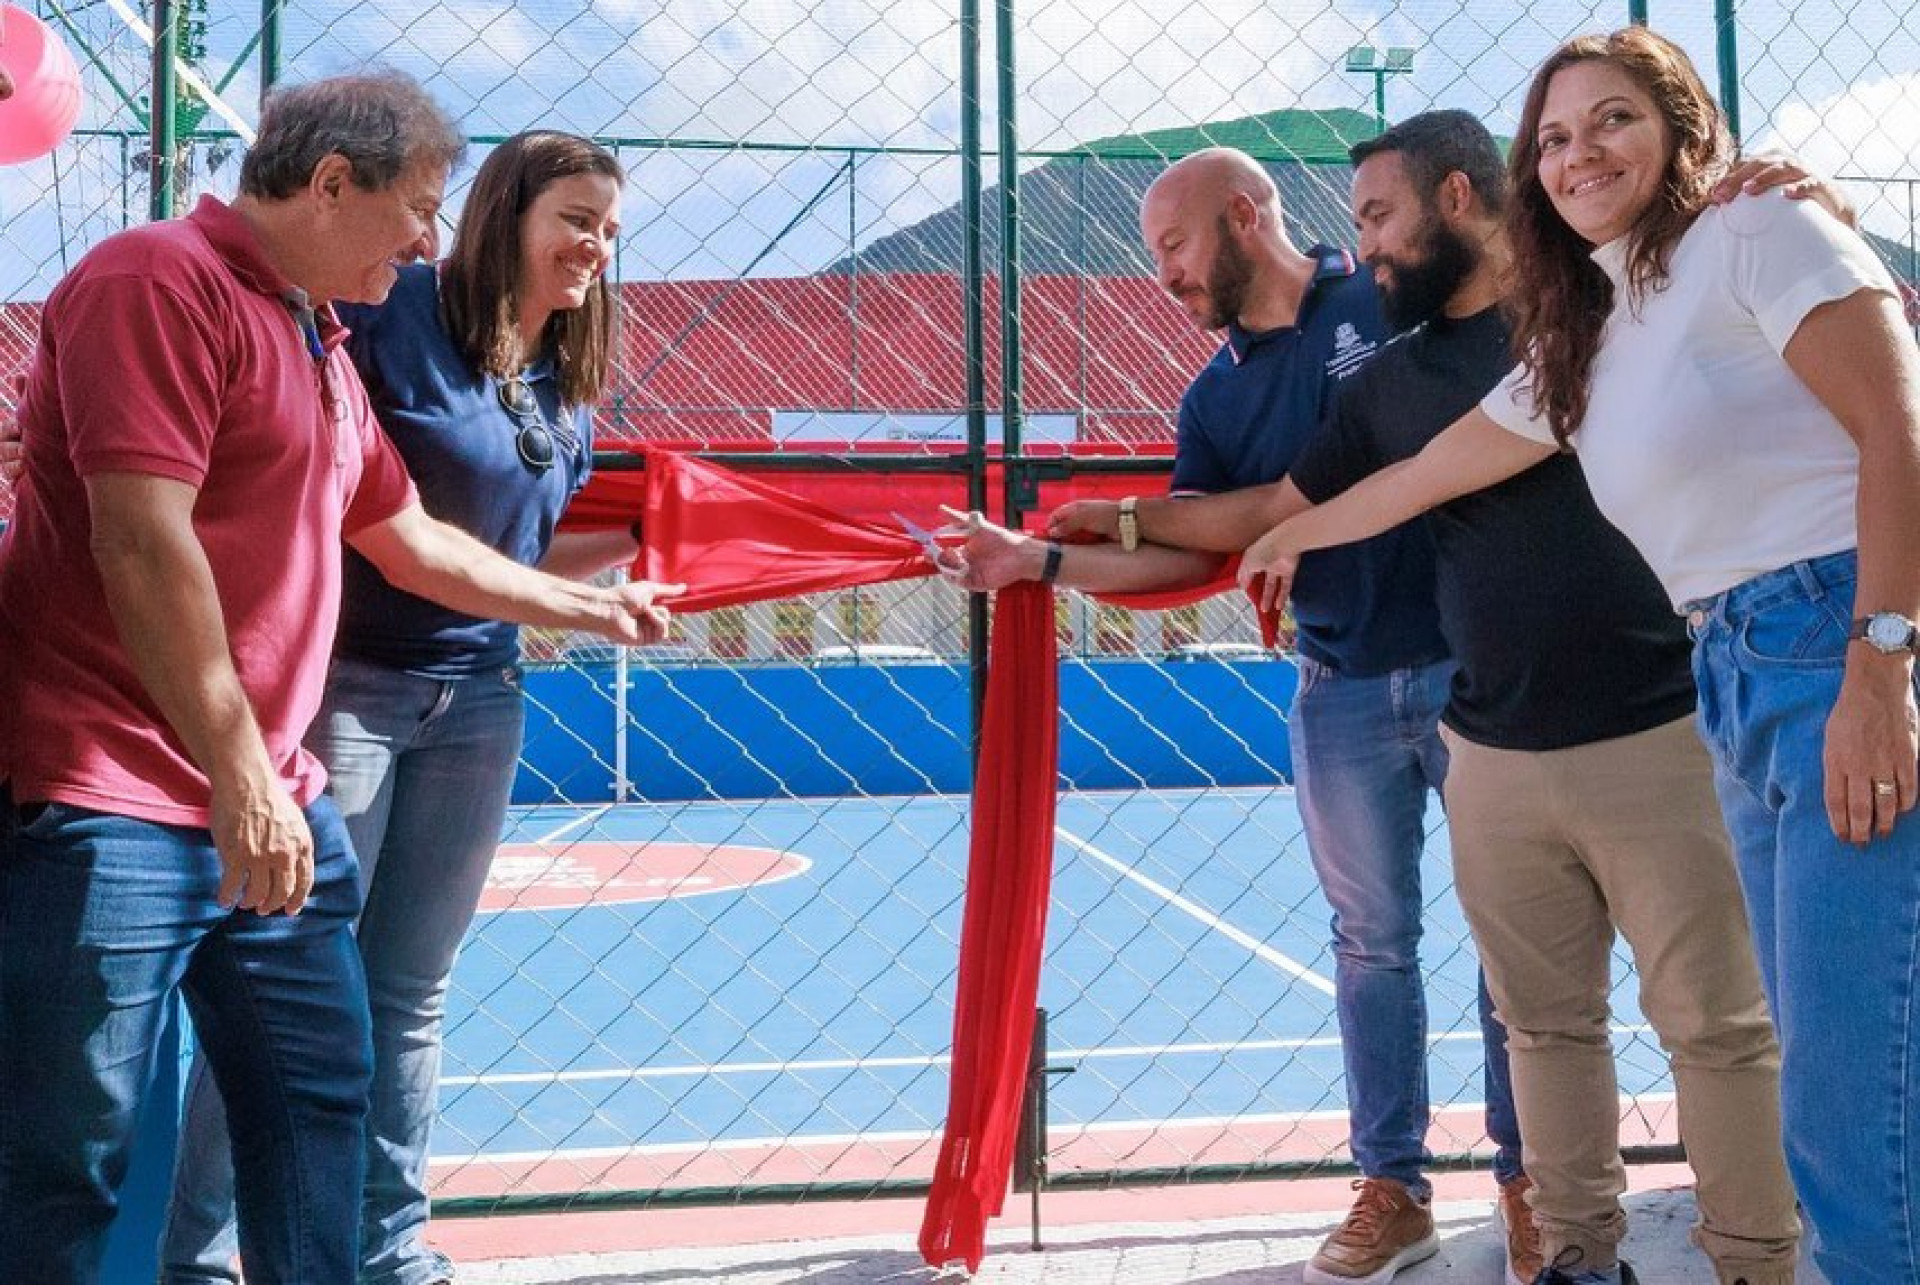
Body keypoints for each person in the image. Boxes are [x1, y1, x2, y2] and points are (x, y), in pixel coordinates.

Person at [1237, 29, 1920, 1285]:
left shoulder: (1753, 229)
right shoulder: (1594, 336)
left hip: (1833, 644)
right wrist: (1290, 531)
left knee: (1847, 1100)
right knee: (1842, 1090)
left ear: (1678, 126)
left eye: (1611, 119)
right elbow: (1430, 471)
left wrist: (1883, 665)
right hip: (1738, 675)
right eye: (1552, 136)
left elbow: (1900, 424)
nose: (1577, 152)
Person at [0, 74, 676, 1285]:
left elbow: (407, 536)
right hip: (117, 791)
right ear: (328, 186)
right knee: (65, 1152)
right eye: (417, 208)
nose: (430, 238)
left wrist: (586, 602)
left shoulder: (311, 331)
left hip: (270, 790)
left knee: (320, 1102)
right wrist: (242, 772)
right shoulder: (157, 282)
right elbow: (141, 539)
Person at [945, 144, 1530, 1285]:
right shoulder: (1211, 397)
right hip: (1339, 687)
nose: (1159, 271)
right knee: (1373, 948)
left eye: (1171, 243)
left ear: (1248, 215)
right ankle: (1392, 1188)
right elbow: (1189, 547)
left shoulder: (1390, 291)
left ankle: (1532, 1179)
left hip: (1479, 667)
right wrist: (1038, 562)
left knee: (1517, 935)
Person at [156, 130, 638, 1285]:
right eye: (576, 217)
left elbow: (522, 550)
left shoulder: (563, 365)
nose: (595, 247)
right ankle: (197, 1257)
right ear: (505, 212)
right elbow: (321, 478)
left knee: (409, 992)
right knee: (279, 985)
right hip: (349, 688)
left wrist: (645, 554)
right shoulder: (393, 313)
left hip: (480, 695)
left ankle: (386, 1249)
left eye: (611, 230)